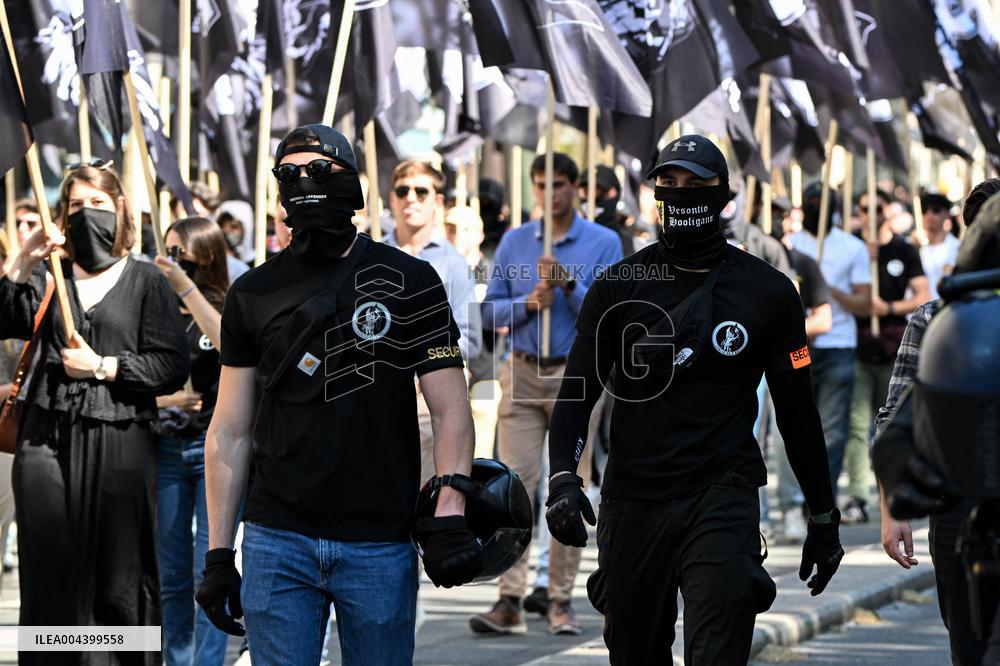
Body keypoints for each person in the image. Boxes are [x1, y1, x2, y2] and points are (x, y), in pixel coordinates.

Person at [544, 135, 843, 665]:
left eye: (696, 185)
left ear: (723, 195)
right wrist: (564, 479)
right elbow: (576, 394)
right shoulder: (618, 287)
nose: (680, 195)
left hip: (722, 496)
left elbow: (797, 413)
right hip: (634, 498)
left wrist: (823, 517)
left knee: (717, 654)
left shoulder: (768, 292)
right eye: (668, 184)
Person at [195, 124, 481, 666]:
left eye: (320, 170)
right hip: (276, 540)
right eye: (289, 173)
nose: (305, 181)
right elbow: (229, 430)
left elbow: (450, 409)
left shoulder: (412, 279)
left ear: (352, 184)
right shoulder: (251, 293)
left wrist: (450, 509)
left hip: (378, 540)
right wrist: (216, 553)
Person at [0, 162, 189, 665]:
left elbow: (171, 364)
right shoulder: (48, 275)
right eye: (77, 205)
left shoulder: (146, 280)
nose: (88, 215)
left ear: (121, 209)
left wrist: (103, 366)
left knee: (118, 574)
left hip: (120, 435)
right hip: (44, 435)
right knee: (50, 563)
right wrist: (22, 257)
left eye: (98, 205)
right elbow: (4, 316)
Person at [472, 153, 622, 637]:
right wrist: (527, 303)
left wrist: (570, 284)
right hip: (520, 369)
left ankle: (560, 599)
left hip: (576, 376)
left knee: (566, 486)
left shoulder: (603, 241)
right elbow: (490, 314)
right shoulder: (517, 241)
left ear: (576, 187)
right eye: (540, 185)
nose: (549, 194)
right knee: (514, 485)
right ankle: (509, 597)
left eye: (558, 184)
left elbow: (613, 316)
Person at [875, 179, 1000, 666]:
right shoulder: (936, 317)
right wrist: (892, 509)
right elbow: (895, 417)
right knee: (968, 644)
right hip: (959, 504)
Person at [153, 217, 231, 666]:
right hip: (164, 447)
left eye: (181, 251)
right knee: (174, 572)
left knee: (210, 568)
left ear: (206, 253)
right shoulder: (156, 306)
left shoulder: (227, 302)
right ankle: (176, 659)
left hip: (212, 451)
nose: (173, 260)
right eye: (167, 251)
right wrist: (166, 399)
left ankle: (208, 661)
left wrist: (186, 289)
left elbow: (227, 344)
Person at [841, 190, 929, 524]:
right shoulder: (851, 247)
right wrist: (862, 301)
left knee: (891, 425)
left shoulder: (904, 250)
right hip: (859, 346)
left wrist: (888, 307)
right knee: (857, 425)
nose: (871, 214)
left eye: (878, 208)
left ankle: (895, 490)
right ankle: (859, 496)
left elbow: (923, 295)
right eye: (865, 209)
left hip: (894, 347)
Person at [789, 183, 872, 498]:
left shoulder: (852, 247)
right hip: (800, 345)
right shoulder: (792, 246)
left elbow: (864, 304)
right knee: (797, 424)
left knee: (833, 430)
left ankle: (824, 496)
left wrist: (825, 286)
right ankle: (799, 493)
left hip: (838, 344)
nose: (815, 207)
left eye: (821, 203)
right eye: (810, 201)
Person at [578, 165, 634, 257]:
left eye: (603, 193)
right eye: (587, 192)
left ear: (617, 193)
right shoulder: (569, 237)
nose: (594, 199)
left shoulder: (623, 242)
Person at [917, 192, 961, 299]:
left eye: (936, 210)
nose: (929, 215)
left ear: (946, 214)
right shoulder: (913, 248)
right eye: (924, 210)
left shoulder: (958, 248)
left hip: (947, 310)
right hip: (919, 312)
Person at [214, 200, 253, 281]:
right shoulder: (212, 261)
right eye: (223, 226)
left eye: (234, 227)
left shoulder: (245, 265)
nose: (227, 230)